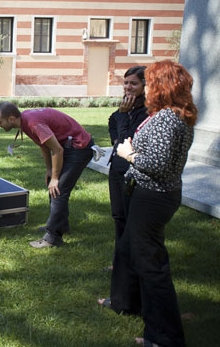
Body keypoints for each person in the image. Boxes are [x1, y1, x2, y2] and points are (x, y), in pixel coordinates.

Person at [99, 60, 196, 347]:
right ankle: (134, 309)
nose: (147, 87)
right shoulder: (171, 114)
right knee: (138, 256)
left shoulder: (168, 118)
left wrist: (130, 154)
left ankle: (164, 337)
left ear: (165, 86)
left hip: (153, 197)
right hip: (152, 194)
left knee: (152, 268)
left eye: (152, 82)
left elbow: (158, 163)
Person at [0, 102, 94, 248]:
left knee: (58, 189)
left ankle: (53, 238)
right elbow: (44, 145)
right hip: (68, 146)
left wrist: (55, 177)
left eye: (0, 122)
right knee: (54, 187)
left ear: (11, 118)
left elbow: (57, 150)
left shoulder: (32, 123)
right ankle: (60, 226)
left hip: (79, 146)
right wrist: (49, 170)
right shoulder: (25, 121)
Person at [106, 66, 148, 267]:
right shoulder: (126, 106)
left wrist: (123, 117)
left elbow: (128, 137)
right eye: (126, 82)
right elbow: (112, 121)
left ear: (144, 85)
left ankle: (130, 262)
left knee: (130, 218)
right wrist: (116, 140)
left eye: (134, 83)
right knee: (118, 216)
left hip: (130, 171)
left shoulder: (146, 110)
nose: (128, 87)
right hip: (116, 167)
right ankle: (120, 260)